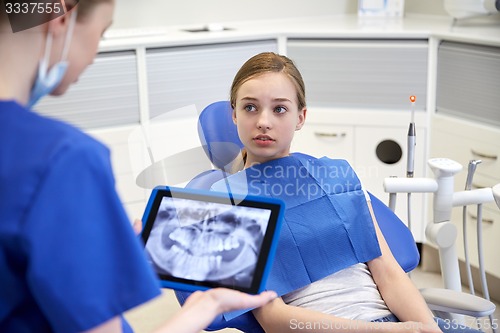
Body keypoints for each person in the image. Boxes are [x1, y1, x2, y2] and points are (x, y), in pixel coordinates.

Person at [0, 2, 276, 333]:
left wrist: (88, 249)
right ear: (62, 19)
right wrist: (205, 307)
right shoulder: (62, 159)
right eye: (101, 32)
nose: (93, 55)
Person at [208, 51, 483, 333]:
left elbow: (388, 274)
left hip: (395, 321)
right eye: (250, 107)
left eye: (279, 109)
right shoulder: (227, 202)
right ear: (234, 114)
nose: (263, 121)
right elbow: (274, 319)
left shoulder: (337, 177)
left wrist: (427, 329)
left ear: (301, 117)